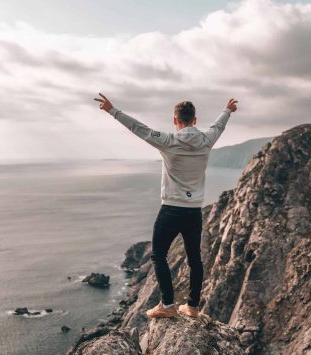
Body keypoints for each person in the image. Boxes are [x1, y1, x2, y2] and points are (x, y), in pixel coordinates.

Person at [94, 93, 238, 318]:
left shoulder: (168, 140)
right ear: (195, 120)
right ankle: (192, 307)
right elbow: (219, 126)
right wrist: (227, 110)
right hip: (194, 211)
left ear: (175, 120)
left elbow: (138, 128)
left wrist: (112, 110)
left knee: (159, 255)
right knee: (194, 259)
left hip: (171, 209)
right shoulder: (207, 139)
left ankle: (168, 305)